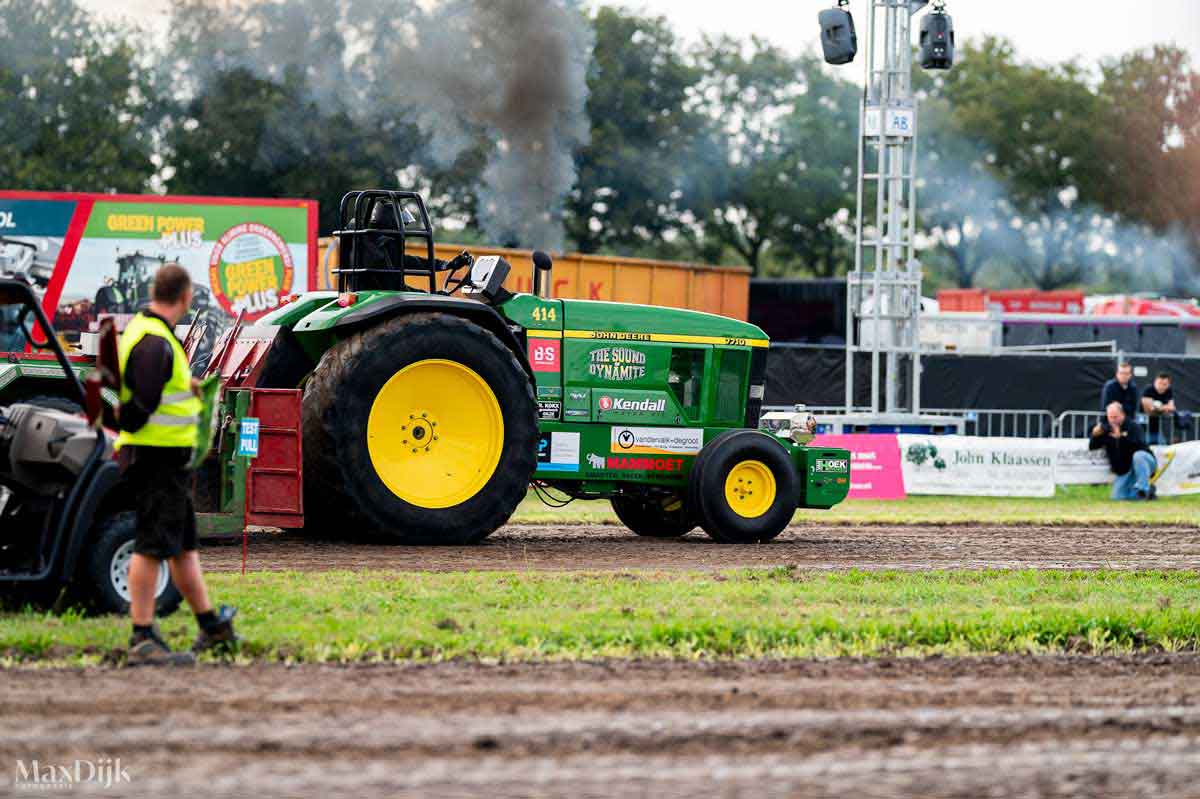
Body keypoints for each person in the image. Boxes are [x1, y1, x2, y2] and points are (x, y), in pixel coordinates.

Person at [117, 263, 237, 665]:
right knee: (152, 545)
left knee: (183, 546)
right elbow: (138, 407)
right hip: (156, 459)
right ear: (185, 298)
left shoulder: (150, 333)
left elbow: (151, 387)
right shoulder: (155, 342)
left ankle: (210, 626)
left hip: (169, 460)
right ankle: (142, 638)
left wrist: (189, 388)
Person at [1089, 401, 1157, 501]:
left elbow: (1140, 446)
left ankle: (1143, 488)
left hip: (1145, 462)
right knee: (1117, 497)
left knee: (1138, 456)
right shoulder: (1106, 429)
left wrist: (1121, 438)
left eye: (1115, 417)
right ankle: (1148, 492)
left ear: (1122, 414)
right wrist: (1094, 435)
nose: (1113, 420)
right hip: (1125, 469)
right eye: (1110, 417)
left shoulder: (1133, 426)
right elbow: (1092, 446)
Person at [1141, 371, 1176, 445]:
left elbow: (1172, 407)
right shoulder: (1148, 389)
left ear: (1168, 385)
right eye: (1159, 383)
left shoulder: (1169, 391)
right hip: (1145, 427)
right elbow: (1150, 409)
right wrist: (1165, 408)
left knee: (1163, 447)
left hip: (1160, 427)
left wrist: (1159, 408)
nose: (1161, 386)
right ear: (1155, 382)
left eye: (1164, 384)